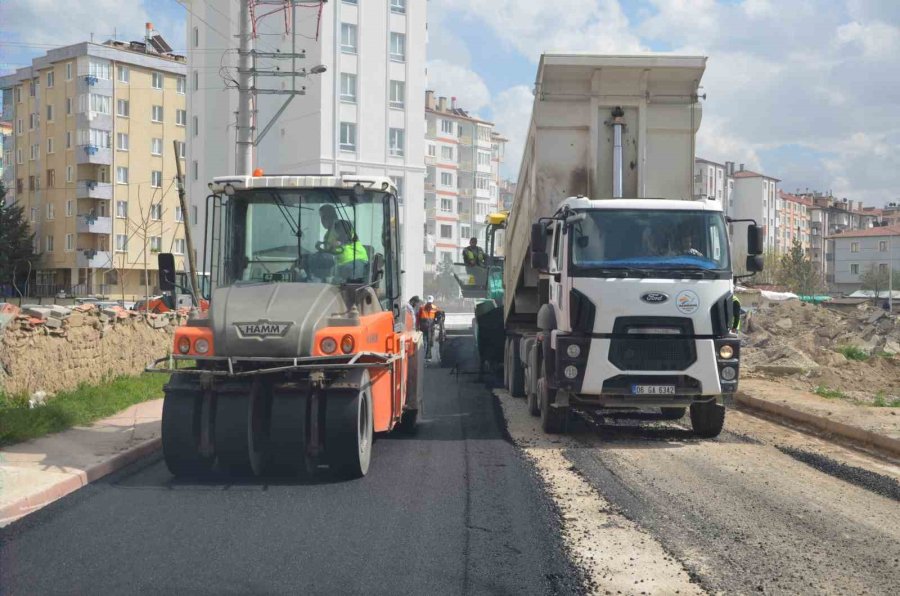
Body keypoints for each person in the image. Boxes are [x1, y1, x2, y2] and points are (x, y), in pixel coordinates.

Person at [417, 295, 442, 359]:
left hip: (430, 327)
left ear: (432, 301)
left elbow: (439, 315)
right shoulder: (422, 308)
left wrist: (437, 322)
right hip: (424, 328)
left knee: (429, 342)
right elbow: (418, 318)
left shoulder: (435, 308)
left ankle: (427, 356)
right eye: (428, 302)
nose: (429, 304)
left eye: (430, 302)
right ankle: (425, 356)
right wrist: (417, 326)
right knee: (425, 342)